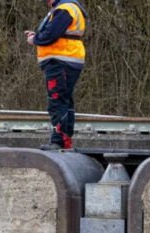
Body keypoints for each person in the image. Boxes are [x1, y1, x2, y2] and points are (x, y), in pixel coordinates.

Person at [25, 0, 87, 151]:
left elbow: (50, 35)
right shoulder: (69, 8)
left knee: (57, 101)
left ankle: (58, 141)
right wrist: (39, 35)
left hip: (60, 60)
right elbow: (56, 32)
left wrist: (35, 39)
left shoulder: (64, 9)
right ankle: (65, 140)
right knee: (64, 100)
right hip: (67, 59)